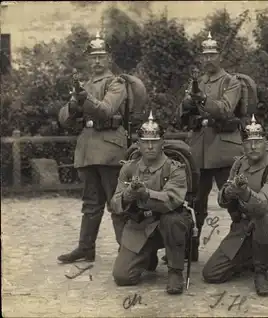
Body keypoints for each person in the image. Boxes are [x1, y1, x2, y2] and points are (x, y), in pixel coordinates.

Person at [202, 115, 268, 297]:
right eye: (248, 142)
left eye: (258, 142)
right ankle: (254, 256)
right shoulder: (238, 166)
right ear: (242, 145)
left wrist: (244, 192)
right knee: (211, 274)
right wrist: (228, 192)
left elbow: (262, 206)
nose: (253, 147)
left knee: (262, 217)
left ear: (266, 143)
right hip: (244, 227)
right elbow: (222, 200)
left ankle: (260, 272)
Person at [57, 31, 128, 263]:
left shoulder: (116, 83)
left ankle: (127, 251)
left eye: (101, 56)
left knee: (116, 201)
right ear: (88, 60)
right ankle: (86, 247)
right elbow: (64, 119)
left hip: (109, 147)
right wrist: (73, 104)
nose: (97, 61)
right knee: (90, 203)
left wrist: (84, 98)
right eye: (93, 57)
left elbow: (107, 110)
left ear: (109, 59)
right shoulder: (84, 85)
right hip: (88, 149)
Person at [178, 32, 243, 261]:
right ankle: (191, 248)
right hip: (199, 149)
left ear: (220, 56)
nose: (208, 59)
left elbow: (226, 108)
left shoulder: (230, 82)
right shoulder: (198, 82)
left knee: (234, 200)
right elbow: (182, 113)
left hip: (223, 149)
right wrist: (187, 102)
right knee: (195, 202)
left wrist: (202, 100)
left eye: (212, 54)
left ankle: (243, 247)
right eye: (205, 55)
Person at [110, 112, 191, 295]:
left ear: (162, 142)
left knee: (173, 219)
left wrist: (146, 194)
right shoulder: (129, 168)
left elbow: (172, 199)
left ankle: (175, 271)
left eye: (154, 141)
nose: (149, 146)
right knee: (122, 277)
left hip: (167, 224)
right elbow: (115, 203)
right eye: (145, 142)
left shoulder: (174, 168)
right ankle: (146, 257)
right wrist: (128, 196)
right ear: (138, 144)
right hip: (141, 225)